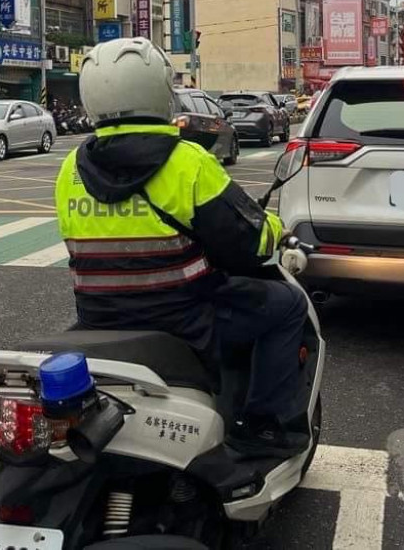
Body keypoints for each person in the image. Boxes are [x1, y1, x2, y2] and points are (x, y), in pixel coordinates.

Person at [54, 37, 308, 458]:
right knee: (286, 306)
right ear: (159, 90)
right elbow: (245, 240)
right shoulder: (186, 161)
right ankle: (265, 426)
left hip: (99, 317)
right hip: (186, 320)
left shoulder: (72, 167)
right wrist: (275, 229)